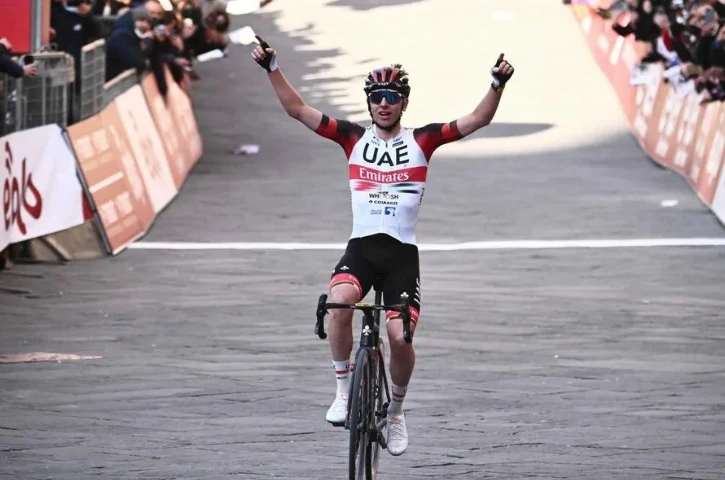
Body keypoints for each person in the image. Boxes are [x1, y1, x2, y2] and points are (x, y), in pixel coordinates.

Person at [250, 34, 514, 457]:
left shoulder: (423, 140)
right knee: (337, 304)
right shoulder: (353, 138)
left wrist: (497, 84)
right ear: (369, 102)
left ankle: (396, 413)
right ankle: (341, 388)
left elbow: (476, 120)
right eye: (376, 97)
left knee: (400, 336)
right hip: (362, 249)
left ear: (404, 102)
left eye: (392, 96)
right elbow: (298, 110)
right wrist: (272, 68)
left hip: (400, 257)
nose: (384, 103)